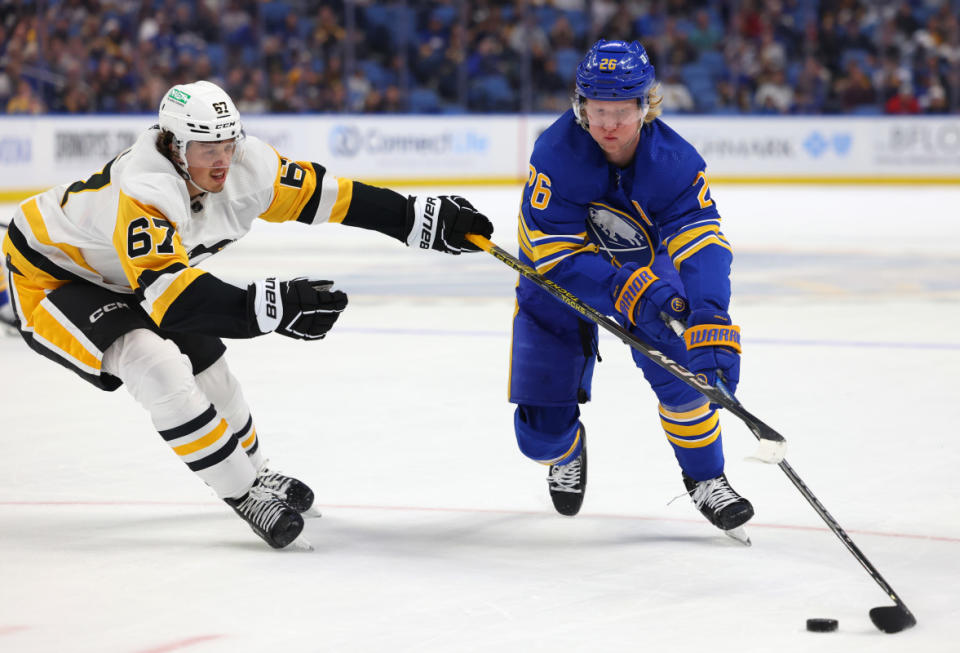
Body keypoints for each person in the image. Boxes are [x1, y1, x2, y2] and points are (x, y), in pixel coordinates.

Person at [1, 80, 493, 549]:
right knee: (153, 362)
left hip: (129, 274)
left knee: (209, 366)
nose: (221, 161)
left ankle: (257, 470)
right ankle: (241, 490)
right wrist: (270, 307)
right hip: (52, 275)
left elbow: (333, 196)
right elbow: (174, 300)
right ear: (174, 147)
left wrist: (416, 219)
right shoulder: (147, 189)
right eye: (205, 148)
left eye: (228, 144)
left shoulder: (247, 165)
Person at [509, 40, 753, 540]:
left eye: (621, 111)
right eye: (597, 111)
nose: (608, 126)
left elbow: (703, 242)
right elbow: (554, 258)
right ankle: (565, 448)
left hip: (645, 269)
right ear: (581, 106)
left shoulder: (675, 162)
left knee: (686, 371)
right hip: (556, 283)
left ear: (646, 105)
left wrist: (710, 314)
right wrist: (627, 289)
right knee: (539, 439)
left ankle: (706, 478)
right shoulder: (555, 154)